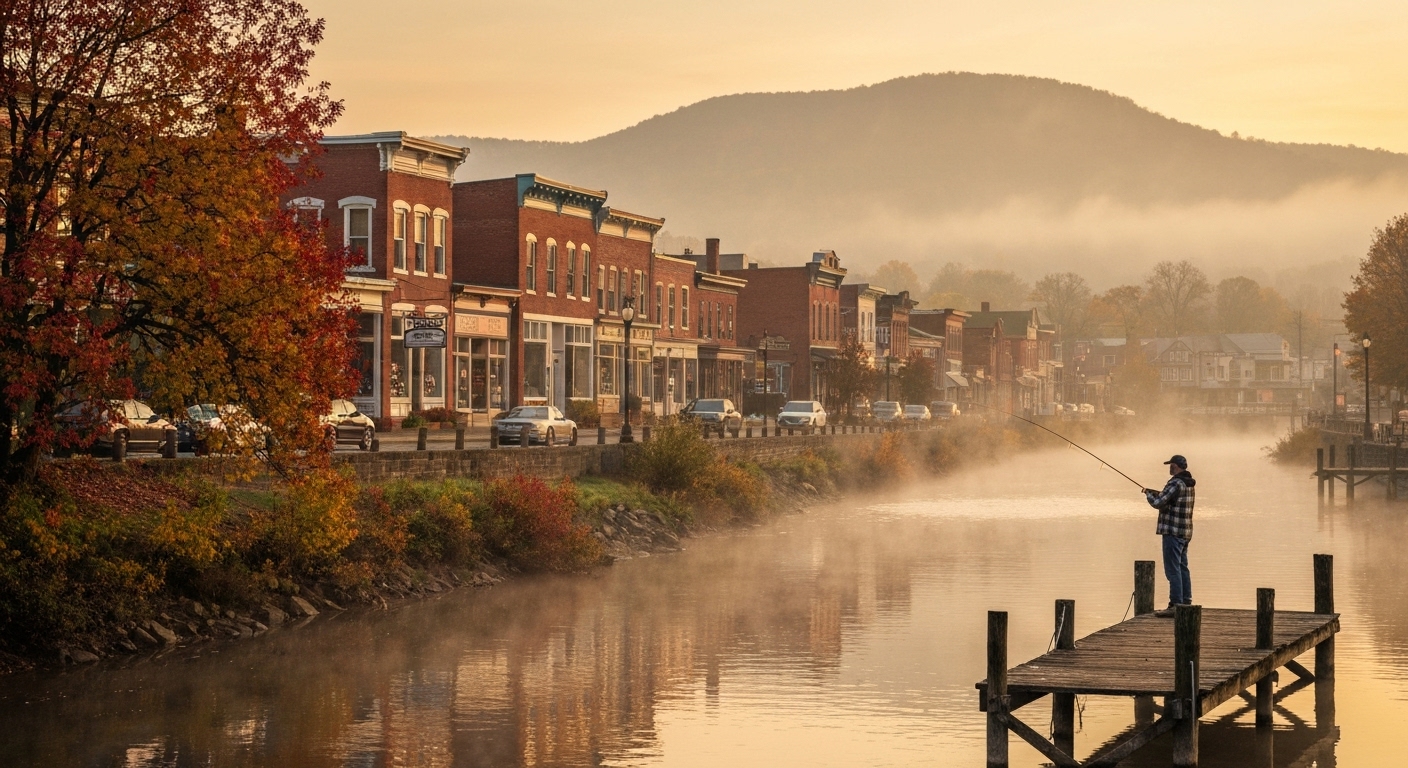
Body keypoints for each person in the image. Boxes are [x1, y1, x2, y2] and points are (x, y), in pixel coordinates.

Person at [1144, 454, 1196, 618]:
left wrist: (1148, 494)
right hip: (1185, 532)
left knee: (1172, 570)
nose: (1170, 467)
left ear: (1177, 466)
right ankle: (1185, 602)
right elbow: (1172, 499)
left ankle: (1175, 605)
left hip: (1172, 532)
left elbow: (1158, 503)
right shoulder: (1189, 484)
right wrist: (1158, 493)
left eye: (1172, 465)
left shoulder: (1175, 483)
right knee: (1182, 568)